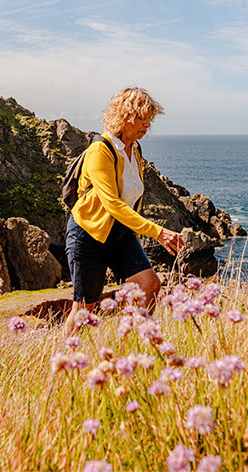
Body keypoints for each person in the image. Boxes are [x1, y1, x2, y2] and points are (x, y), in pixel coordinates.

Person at [63, 88, 184, 335]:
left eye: (149, 119)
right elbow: (113, 204)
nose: (147, 125)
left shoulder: (135, 149)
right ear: (123, 116)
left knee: (149, 285)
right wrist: (157, 232)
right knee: (85, 308)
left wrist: (137, 235)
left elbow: (134, 196)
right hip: (89, 234)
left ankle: (130, 341)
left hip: (121, 233)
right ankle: (66, 360)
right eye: (141, 118)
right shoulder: (100, 151)